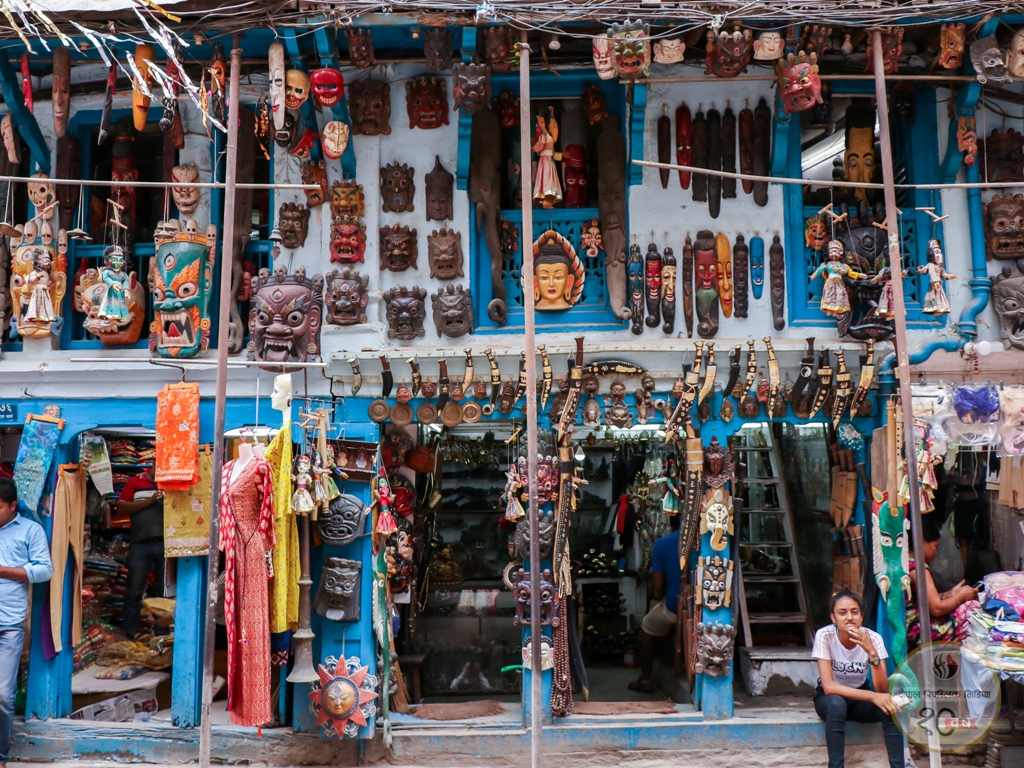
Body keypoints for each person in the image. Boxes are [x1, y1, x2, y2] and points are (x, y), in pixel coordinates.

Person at [813, 589, 903, 768]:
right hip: (830, 700)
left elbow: (882, 689)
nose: (849, 617)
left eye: (854, 612)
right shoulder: (825, 636)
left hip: (860, 697)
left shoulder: (874, 639)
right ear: (833, 618)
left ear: (861, 616)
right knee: (837, 703)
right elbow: (829, 687)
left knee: (890, 707)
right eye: (842, 613)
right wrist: (872, 697)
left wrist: (871, 653)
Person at [0, 478, 52, 768]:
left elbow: (45, 569)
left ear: (12, 506)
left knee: (3, 696)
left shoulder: (30, 531)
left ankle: (1, 756)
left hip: (8, 623)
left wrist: (4, 571)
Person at [628, 515, 681, 694]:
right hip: (704, 603)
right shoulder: (704, 540)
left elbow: (657, 586)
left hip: (675, 605)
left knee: (648, 624)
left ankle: (646, 679)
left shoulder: (663, 544)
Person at [906, 516, 978, 648]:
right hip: (919, 629)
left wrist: (951, 593)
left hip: (912, 625)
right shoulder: (917, 568)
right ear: (921, 542)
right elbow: (936, 609)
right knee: (972, 608)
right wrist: (960, 597)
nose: (936, 552)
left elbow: (926, 600)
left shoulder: (907, 561)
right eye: (935, 546)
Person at [117, 467, 165, 639]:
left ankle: (162, 634)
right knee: (134, 591)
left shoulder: (170, 483)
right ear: (153, 463)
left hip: (165, 544)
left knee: (163, 591)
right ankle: (129, 634)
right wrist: (151, 500)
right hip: (140, 544)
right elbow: (121, 506)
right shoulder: (135, 482)